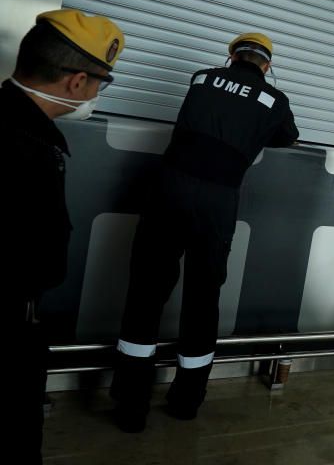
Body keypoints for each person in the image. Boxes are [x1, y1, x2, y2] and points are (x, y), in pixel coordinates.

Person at [111, 32, 298, 431]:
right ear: (267, 65)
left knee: (146, 289)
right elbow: (287, 136)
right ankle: (186, 401)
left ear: (232, 56)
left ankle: (130, 405)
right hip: (218, 201)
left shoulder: (201, 78)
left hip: (168, 187)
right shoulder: (275, 101)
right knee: (203, 295)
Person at [1, 9, 124, 464]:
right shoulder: (24, 145)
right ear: (76, 83)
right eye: (100, 82)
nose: (96, 92)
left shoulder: (20, 126)